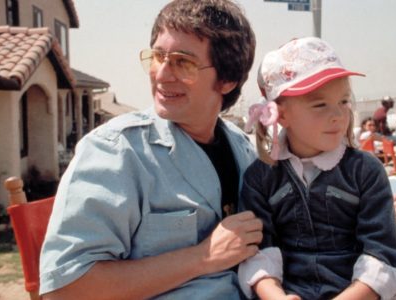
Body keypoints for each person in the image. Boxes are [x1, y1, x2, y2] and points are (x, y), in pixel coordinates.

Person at [39, 1, 262, 299]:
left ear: (228, 79)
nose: (161, 74)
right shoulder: (116, 151)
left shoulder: (244, 150)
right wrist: (202, 257)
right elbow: (65, 290)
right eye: (158, 56)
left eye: (183, 62)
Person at [238, 37, 396, 300]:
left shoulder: (366, 172)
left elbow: (381, 254)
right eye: (320, 104)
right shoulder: (260, 178)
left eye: (343, 102)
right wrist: (275, 296)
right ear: (280, 114)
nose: (338, 115)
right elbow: (259, 251)